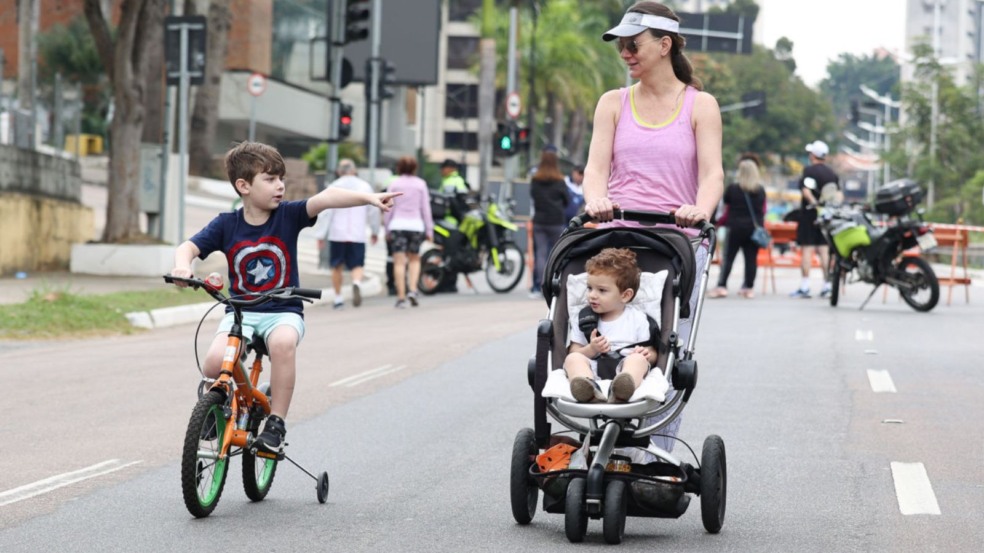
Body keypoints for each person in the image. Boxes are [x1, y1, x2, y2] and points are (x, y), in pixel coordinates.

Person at [169, 142, 398, 453]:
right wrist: (183, 266)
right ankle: (215, 397)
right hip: (241, 312)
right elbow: (189, 248)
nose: (279, 186)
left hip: (283, 310)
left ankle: (276, 421)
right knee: (212, 364)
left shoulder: (288, 215)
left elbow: (326, 198)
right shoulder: (226, 224)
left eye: (281, 179)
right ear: (244, 186)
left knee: (282, 344)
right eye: (270, 179)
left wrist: (368, 198)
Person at [582, 2, 724, 451]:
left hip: (676, 242)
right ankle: (598, 430)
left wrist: (699, 209)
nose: (625, 52)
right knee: (599, 331)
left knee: (665, 343)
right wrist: (596, 201)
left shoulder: (700, 105)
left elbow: (712, 174)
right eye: (621, 45)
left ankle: (655, 452)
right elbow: (594, 168)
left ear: (664, 45)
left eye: (633, 44)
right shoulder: (613, 103)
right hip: (617, 238)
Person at [564, 248, 656, 403]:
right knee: (573, 358)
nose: (592, 295)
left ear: (625, 295)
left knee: (638, 361)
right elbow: (574, 349)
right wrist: (591, 349)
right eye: (590, 288)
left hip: (625, 367)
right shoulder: (584, 319)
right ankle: (587, 389)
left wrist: (646, 354)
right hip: (592, 371)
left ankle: (623, 389)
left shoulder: (638, 319)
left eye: (602, 290)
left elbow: (652, 352)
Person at [313, 159, 380, 309]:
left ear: (339, 171)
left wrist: (320, 235)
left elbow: (325, 212)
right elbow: (374, 210)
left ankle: (338, 298)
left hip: (337, 233)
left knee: (337, 265)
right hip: (357, 233)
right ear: (354, 170)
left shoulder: (333, 187)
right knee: (357, 264)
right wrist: (375, 231)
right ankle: (356, 282)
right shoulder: (365, 187)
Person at [709, 158, 767, 299]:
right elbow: (764, 210)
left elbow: (724, 208)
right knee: (751, 259)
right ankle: (748, 287)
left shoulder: (733, 189)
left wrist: (717, 223)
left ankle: (722, 286)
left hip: (734, 227)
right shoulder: (760, 190)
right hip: (754, 229)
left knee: (728, 257)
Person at [790, 140, 840, 299]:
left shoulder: (808, 171)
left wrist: (815, 204)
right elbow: (838, 194)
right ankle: (827, 285)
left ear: (813, 155)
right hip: (826, 218)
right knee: (824, 251)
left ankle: (805, 286)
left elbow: (806, 191)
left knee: (807, 250)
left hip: (809, 216)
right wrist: (827, 208)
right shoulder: (832, 173)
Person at [384, 155, 434, 308]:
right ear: (415, 168)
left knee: (399, 262)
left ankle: (400, 297)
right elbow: (425, 208)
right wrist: (429, 230)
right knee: (414, 259)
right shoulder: (421, 184)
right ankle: (413, 290)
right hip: (416, 226)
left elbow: (387, 207)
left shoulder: (394, 184)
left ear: (399, 167)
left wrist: (386, 228)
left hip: (398, 225)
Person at [529, 149, 571, 296]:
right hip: (556, 220)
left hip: (540, 221)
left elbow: (533, 197)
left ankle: (540, 286)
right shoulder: (560, 181)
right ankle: (555, 284)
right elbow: (567, 200)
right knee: (557, 253)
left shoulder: (535, 180)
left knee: (540, 254)